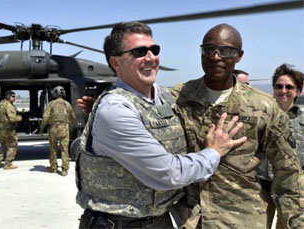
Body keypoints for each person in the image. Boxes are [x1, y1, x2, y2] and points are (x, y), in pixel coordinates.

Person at [75, 22, 247, 229]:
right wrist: (214, 151)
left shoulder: (166, 96)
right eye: (139, 52)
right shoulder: (114, 110)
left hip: (159, 220)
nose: (150, 57)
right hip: (121, 223)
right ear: (116, 62)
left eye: (154, 50)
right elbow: (169, 173)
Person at [171, 23, 304, 228]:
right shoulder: (179, 97)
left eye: (225, 51)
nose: (216, 56)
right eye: (209, 50)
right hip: (190, 219)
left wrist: (296, 222)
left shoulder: (264, 107)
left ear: (239, 55)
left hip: (241, 219)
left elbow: (288, 172)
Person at [256, 63, 304, 228]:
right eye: (279, 86)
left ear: (298, 91)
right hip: (261, 188)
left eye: (289, 87)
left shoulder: (302, 123)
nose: (283, 91)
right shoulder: (260, 119)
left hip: (292, 192)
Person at [40, 86, 76, 176]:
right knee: (65, 150)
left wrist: (42, 128)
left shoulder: (51, 104)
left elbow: (45, 117)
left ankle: (53, 167)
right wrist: (68, 125)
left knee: (53, 149)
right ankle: (64, 170)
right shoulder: (67, 104)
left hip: (54, 129)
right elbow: (73, 117)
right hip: (64, 129)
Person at [0, 90, 22, 170]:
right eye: (13, 96)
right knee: (13, 146)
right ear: (8, 97)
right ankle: (8, 164)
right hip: (8, 130)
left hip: (1, 129)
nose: (14, 98)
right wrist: (20, 118)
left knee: (3, 145)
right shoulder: (9, 106)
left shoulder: (1, 104)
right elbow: (12, 119)